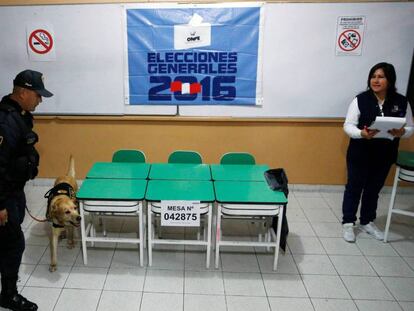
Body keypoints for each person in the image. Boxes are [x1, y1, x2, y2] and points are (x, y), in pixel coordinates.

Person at [341, 62, 414, 243]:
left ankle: (367, 221)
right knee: (354, 187)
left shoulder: (402, 101)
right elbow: (348, 125)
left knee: (373, 189)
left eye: (380, 77)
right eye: (373, 76)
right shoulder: (360, 99)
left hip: (385, 153)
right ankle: (349, 223)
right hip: (360, 152)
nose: (376, 80)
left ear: (390, 80)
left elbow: (410, 126)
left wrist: (402, 132)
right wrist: (361, 133)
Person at [0, 70, 53, 311]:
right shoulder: (5, 121)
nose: (39, 100)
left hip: (14, 190)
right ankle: (9, 295)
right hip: (5, 194)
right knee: (13, 243)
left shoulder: (19, 115)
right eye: (37, 95)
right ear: (22, 92)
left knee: (10, 239)